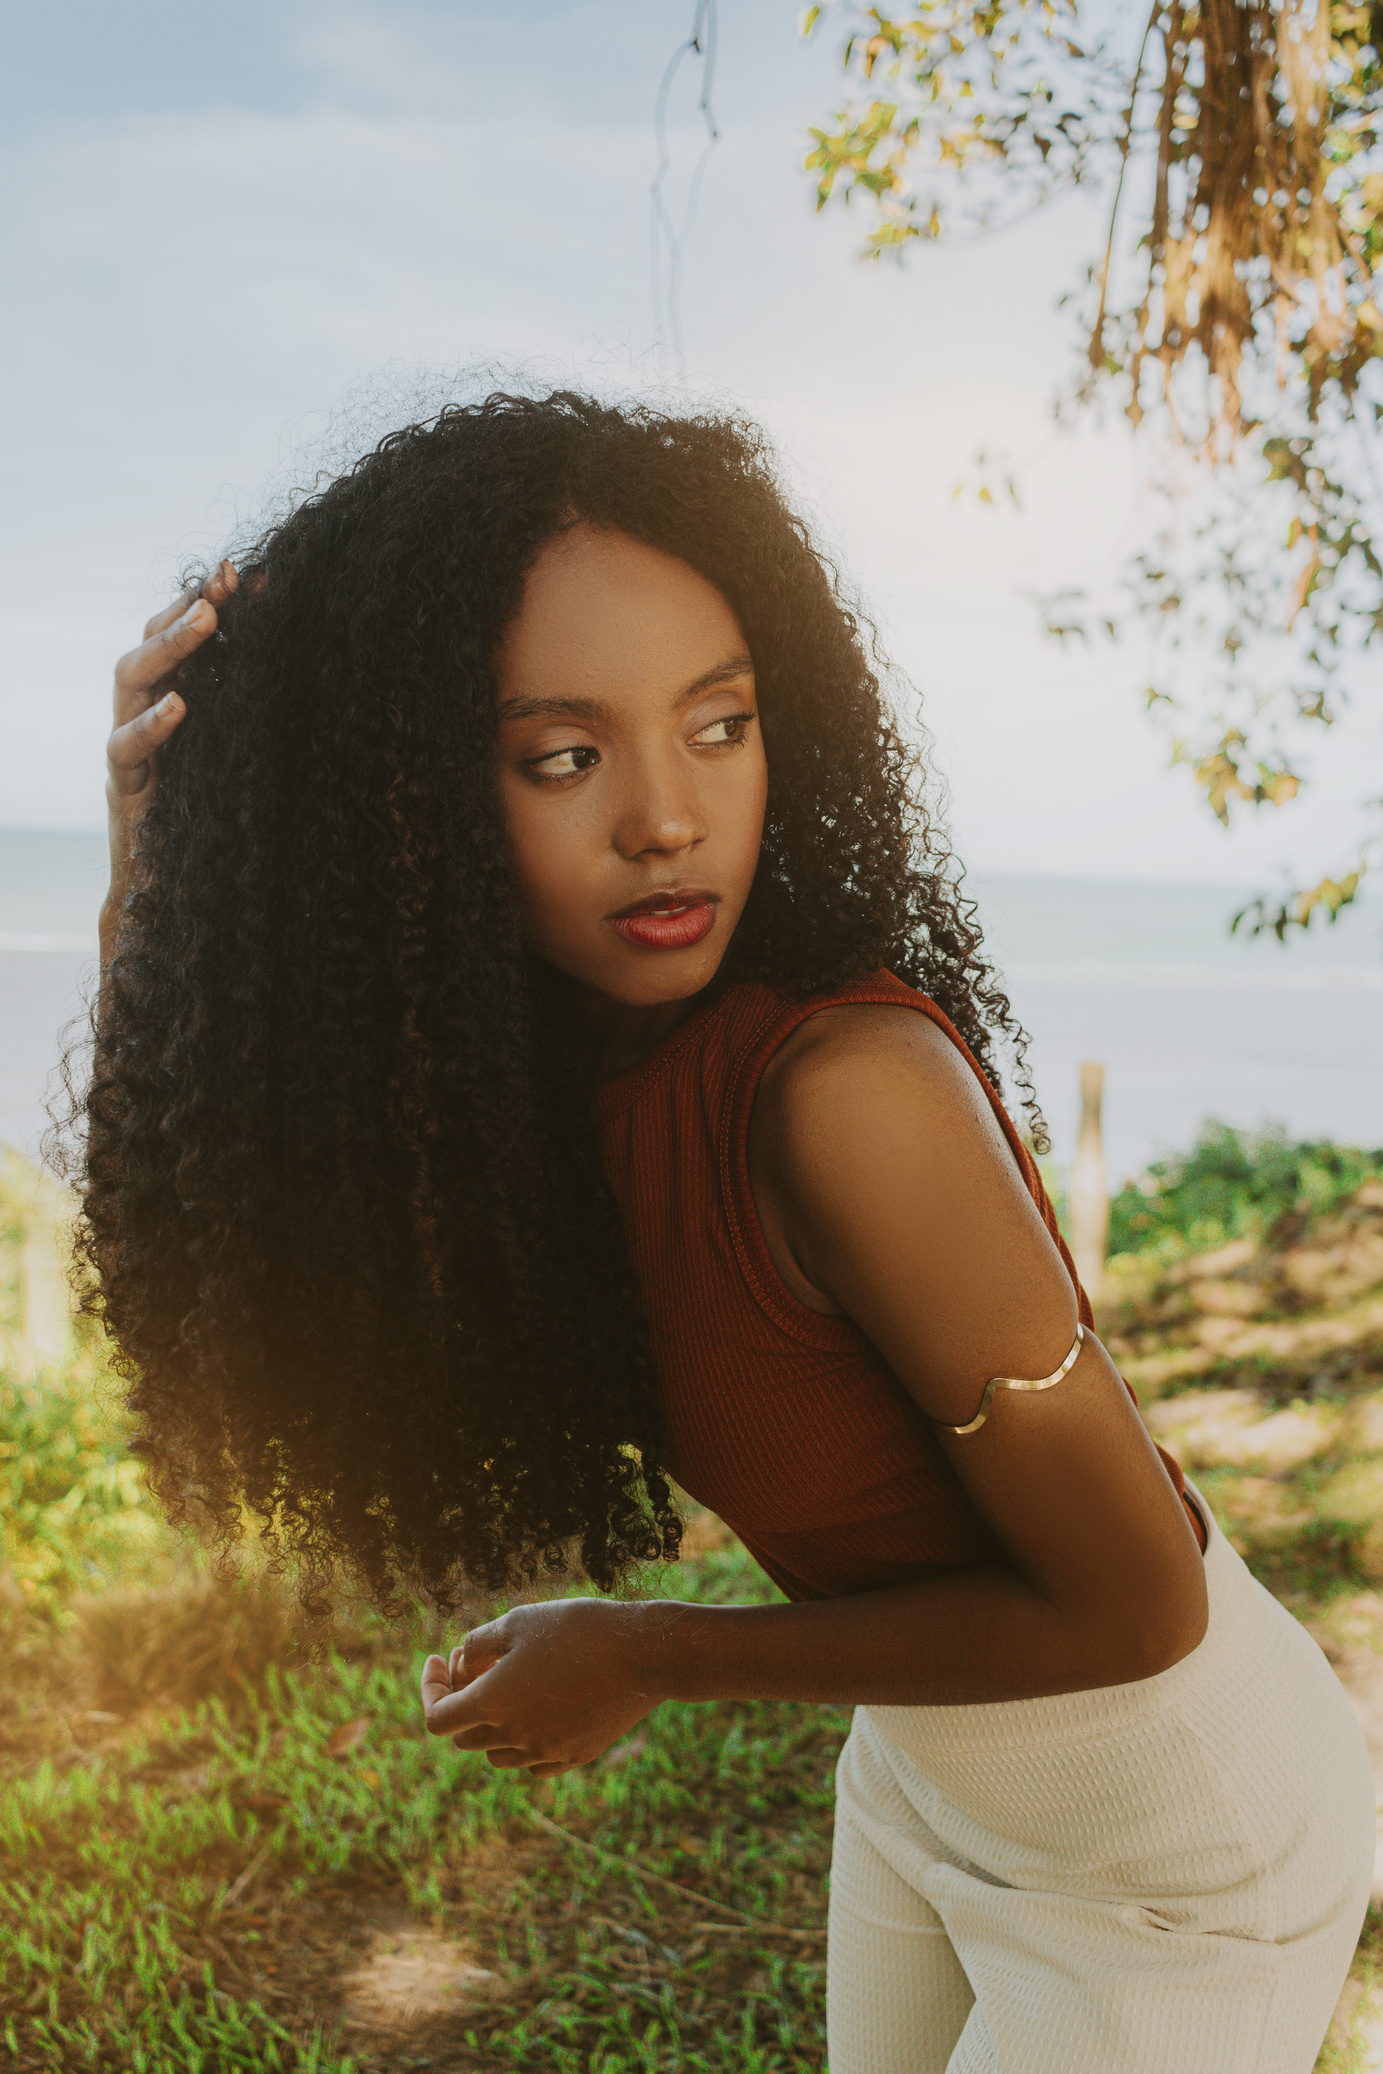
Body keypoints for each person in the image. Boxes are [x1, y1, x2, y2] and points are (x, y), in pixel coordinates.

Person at [95, 391, 1373, 2072]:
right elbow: (269, 1276)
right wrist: (163, 885)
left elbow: (1139, 1606)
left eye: (720, 722)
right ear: (402, 806)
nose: (665, 817)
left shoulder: (845, 1092)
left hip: (1177, 1848)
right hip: (928, 1775)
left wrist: (646, 1650)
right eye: (564, 755)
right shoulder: (552, 1077)